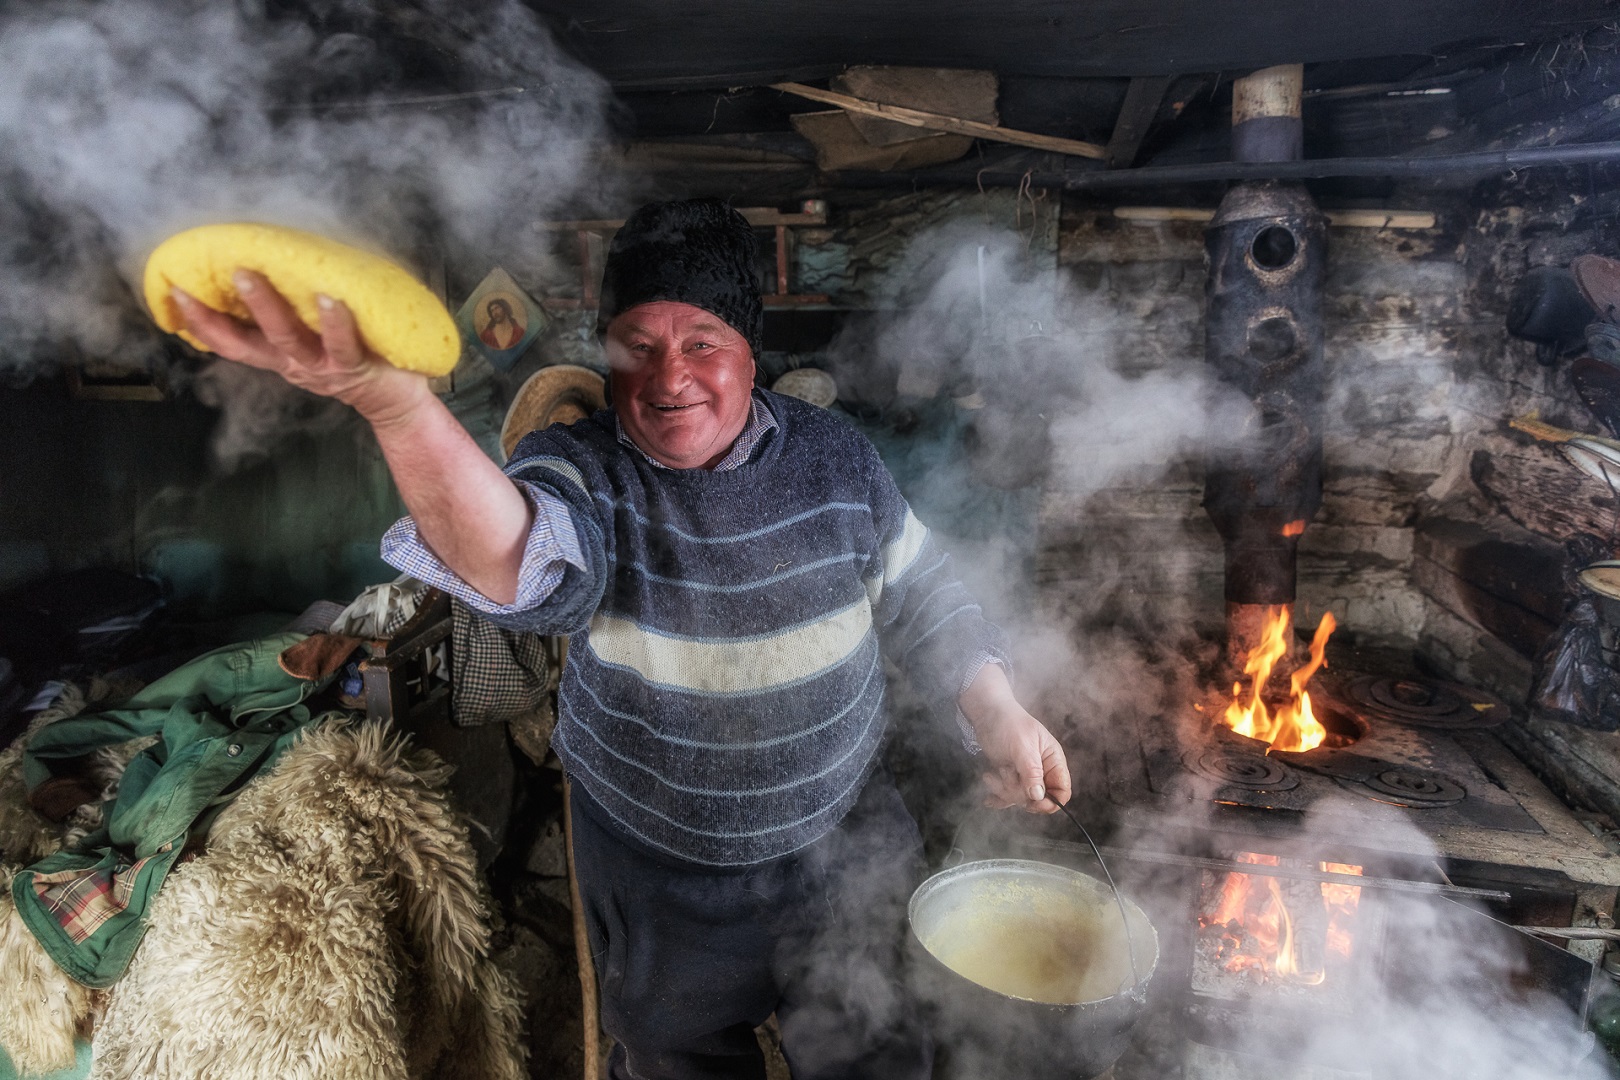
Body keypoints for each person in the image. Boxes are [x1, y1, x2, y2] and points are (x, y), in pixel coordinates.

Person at [168, 198, 1072, 1080]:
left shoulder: (836, 457)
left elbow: (922, 593)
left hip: (843, 851)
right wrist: (397, 408)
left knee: (874, 1056)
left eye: (701, 344)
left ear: (750, 351)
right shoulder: (582, 468)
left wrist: (997, 710)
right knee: (678, 1060)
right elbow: (519, 562)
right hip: (660, 879)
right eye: (637, 346)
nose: (669, 378)